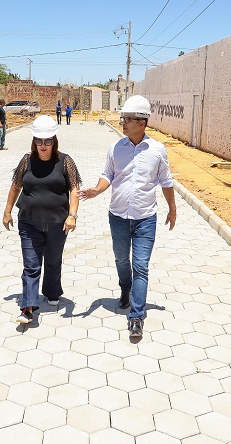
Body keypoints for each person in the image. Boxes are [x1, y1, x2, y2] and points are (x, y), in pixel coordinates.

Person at [78, 95, 176, 338]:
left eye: (127, 119)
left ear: (142, 122)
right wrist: (96, 190)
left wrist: (172, 208)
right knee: (122, 260)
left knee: (140, 266)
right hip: (118, 216)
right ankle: (125, 289)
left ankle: (136, 316)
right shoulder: (115, 148)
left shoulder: (157, 150)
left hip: (146, 218)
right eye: (123, 118)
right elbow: (107, 175)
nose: (122, 122)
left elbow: (166, 181)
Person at [3, 115, 82, 324]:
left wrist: (72, 215)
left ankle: (52, 291)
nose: (43, 145)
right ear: (34, 141)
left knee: (53, 261)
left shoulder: (65, 161)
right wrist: (7, 211)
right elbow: (15, 186)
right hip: (29, 222)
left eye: (48, 141)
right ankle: (27, 308)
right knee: (31, 264)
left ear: (54, 141)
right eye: (39, 141)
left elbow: (75, 188)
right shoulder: (26, 160)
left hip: (58, 223)